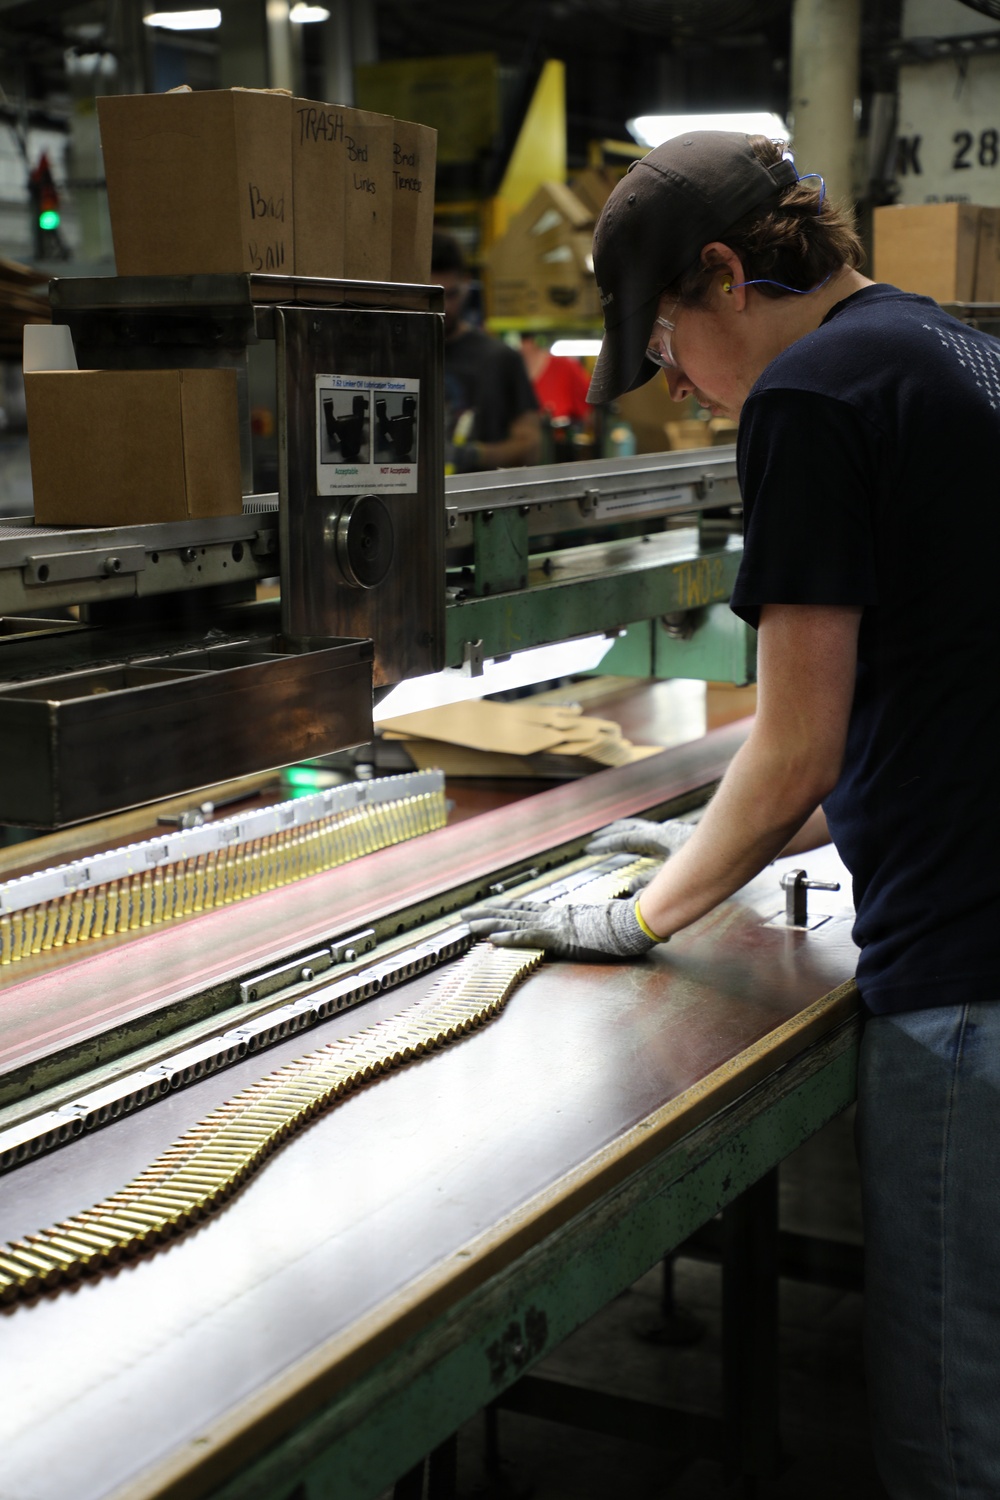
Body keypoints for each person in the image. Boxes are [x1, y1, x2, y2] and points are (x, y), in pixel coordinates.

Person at [465, 130, 1000, 1499]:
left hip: (972, 982)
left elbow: (800, 746)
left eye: (667, 345)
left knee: (956, 1429)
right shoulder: (951, 352)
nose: (688, 393)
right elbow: (934, 682)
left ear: (724, 275)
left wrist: (642, 910)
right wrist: (725, 832)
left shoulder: (809, 396)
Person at [432, 230, 541, 472]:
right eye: (434, 296)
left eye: (451, 295)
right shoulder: (400, 357)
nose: (445, 308)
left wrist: (474, 454)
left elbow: (530, 446)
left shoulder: (500, 359)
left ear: (467, 284)